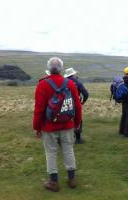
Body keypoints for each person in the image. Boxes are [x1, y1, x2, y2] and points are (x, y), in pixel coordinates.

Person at [33, 57, 82, 192]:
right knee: (68, 149)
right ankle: (72, 179)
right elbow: (77, 106)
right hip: (67, 124)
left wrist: (37, 127)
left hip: (48, 126)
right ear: (61, 68)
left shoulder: (42, 84)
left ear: (48, 69)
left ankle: (53, 182)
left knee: (51, 152)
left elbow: (39, 109)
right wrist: (77, 122)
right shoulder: (70, 84)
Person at [64, 67, 89, 144]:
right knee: (78, 119)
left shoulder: (63, 82)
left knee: (65, 119)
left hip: (65, 103)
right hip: (76, 103)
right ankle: (78, 139)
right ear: (73, 74)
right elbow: (86, 94)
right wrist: (83, 102)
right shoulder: (78, 82)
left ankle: (65, 138)